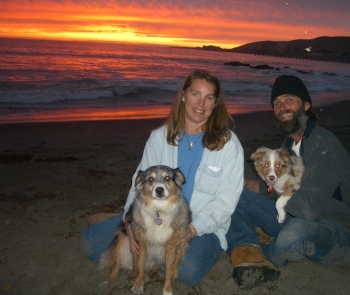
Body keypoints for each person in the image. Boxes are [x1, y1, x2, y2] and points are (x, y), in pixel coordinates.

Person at [79, 70, 244, 285]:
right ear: (183, 96)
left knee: (187, 271)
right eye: (195, 94)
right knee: (89, 241)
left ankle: (152, 258)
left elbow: (227, 200)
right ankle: (150, 255)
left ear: (215, 103)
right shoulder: (159, 138)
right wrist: (129, 221)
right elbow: (138, 184)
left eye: (209, 97)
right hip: (151, 219)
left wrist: (193, 229)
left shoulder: (229, 145)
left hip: (201, 226)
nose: (201, 103)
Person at [226, 75, 350, 290]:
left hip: (338, 233)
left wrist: (270, 189)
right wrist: (259, 186)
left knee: (293, 235)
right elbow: (287, 187)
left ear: (307, 105)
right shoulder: (287, 145)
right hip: (295, 217)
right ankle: (247, 246)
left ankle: (260, 248)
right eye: (276, 103)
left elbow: (308, 209)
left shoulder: (322, 143)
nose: (282, 107)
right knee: (238, 193)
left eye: (289, 100)